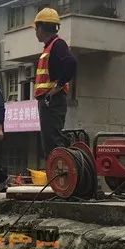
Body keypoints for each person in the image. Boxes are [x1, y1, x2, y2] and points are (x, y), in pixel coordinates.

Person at [33, 8, 76, 160]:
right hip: (48, 101)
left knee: (53, 141)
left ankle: (60, 175)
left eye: (36, 28)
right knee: (49, 140)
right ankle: (57, 175)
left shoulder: (58, 45)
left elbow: (71, 63)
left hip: (52, 101)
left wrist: (56, 88)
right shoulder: (50, 47)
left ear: (41, 27)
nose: (35, 32)